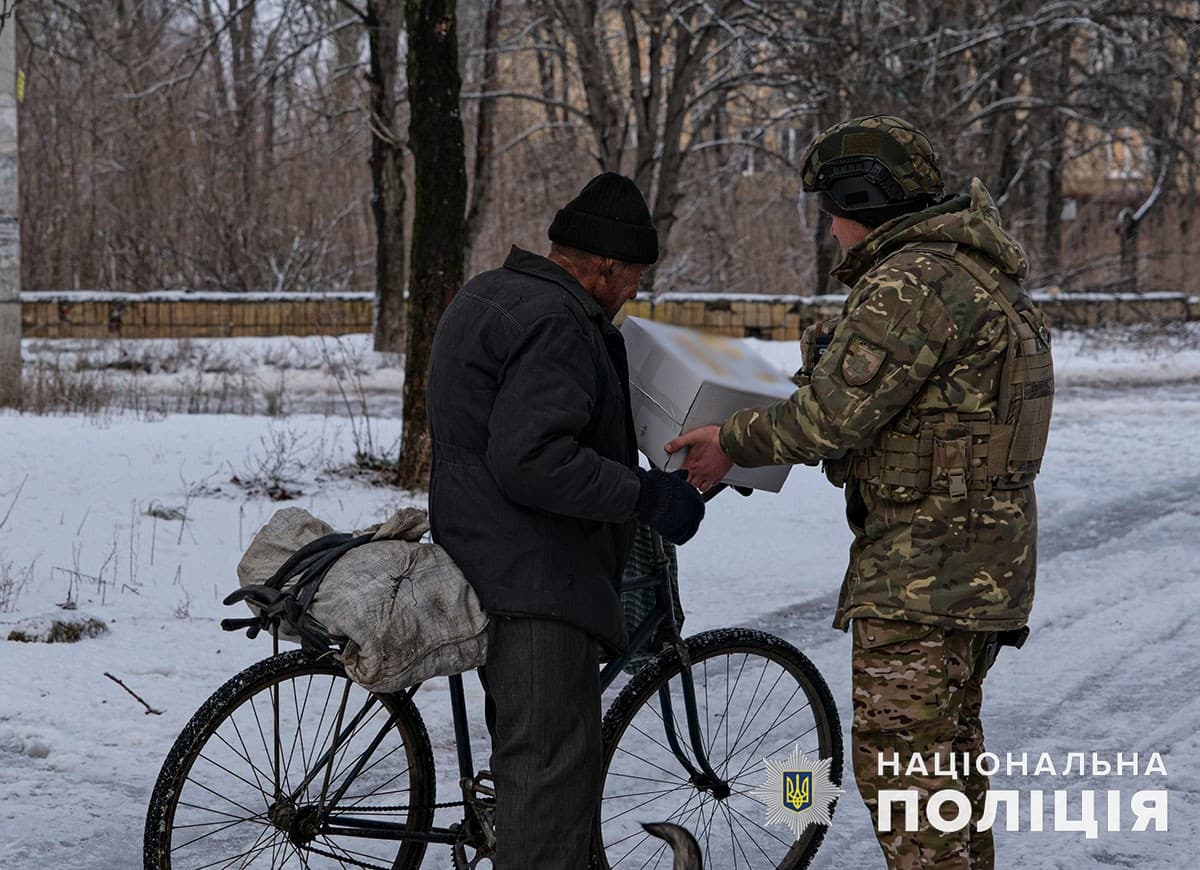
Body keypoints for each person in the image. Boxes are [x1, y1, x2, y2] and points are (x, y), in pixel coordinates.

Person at [667, 115, 1053, 869]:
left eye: (831, 209)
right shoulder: (976, 268)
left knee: (906, 777)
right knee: (947, 770)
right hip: (976, 569)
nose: (832, 229)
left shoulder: (913, 279)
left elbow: (829, 418)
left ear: (862, 199)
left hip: (924, 578)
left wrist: (730, 440)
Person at [426, 172, 706, 868]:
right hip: (535, 578)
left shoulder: (493, 292)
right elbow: (535, 460)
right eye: (635, 276)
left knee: (548, 764)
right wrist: (647, 496)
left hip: (479, 545)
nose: (635, 291)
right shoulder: (558, 322)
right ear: (605, 267)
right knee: (548, 775)